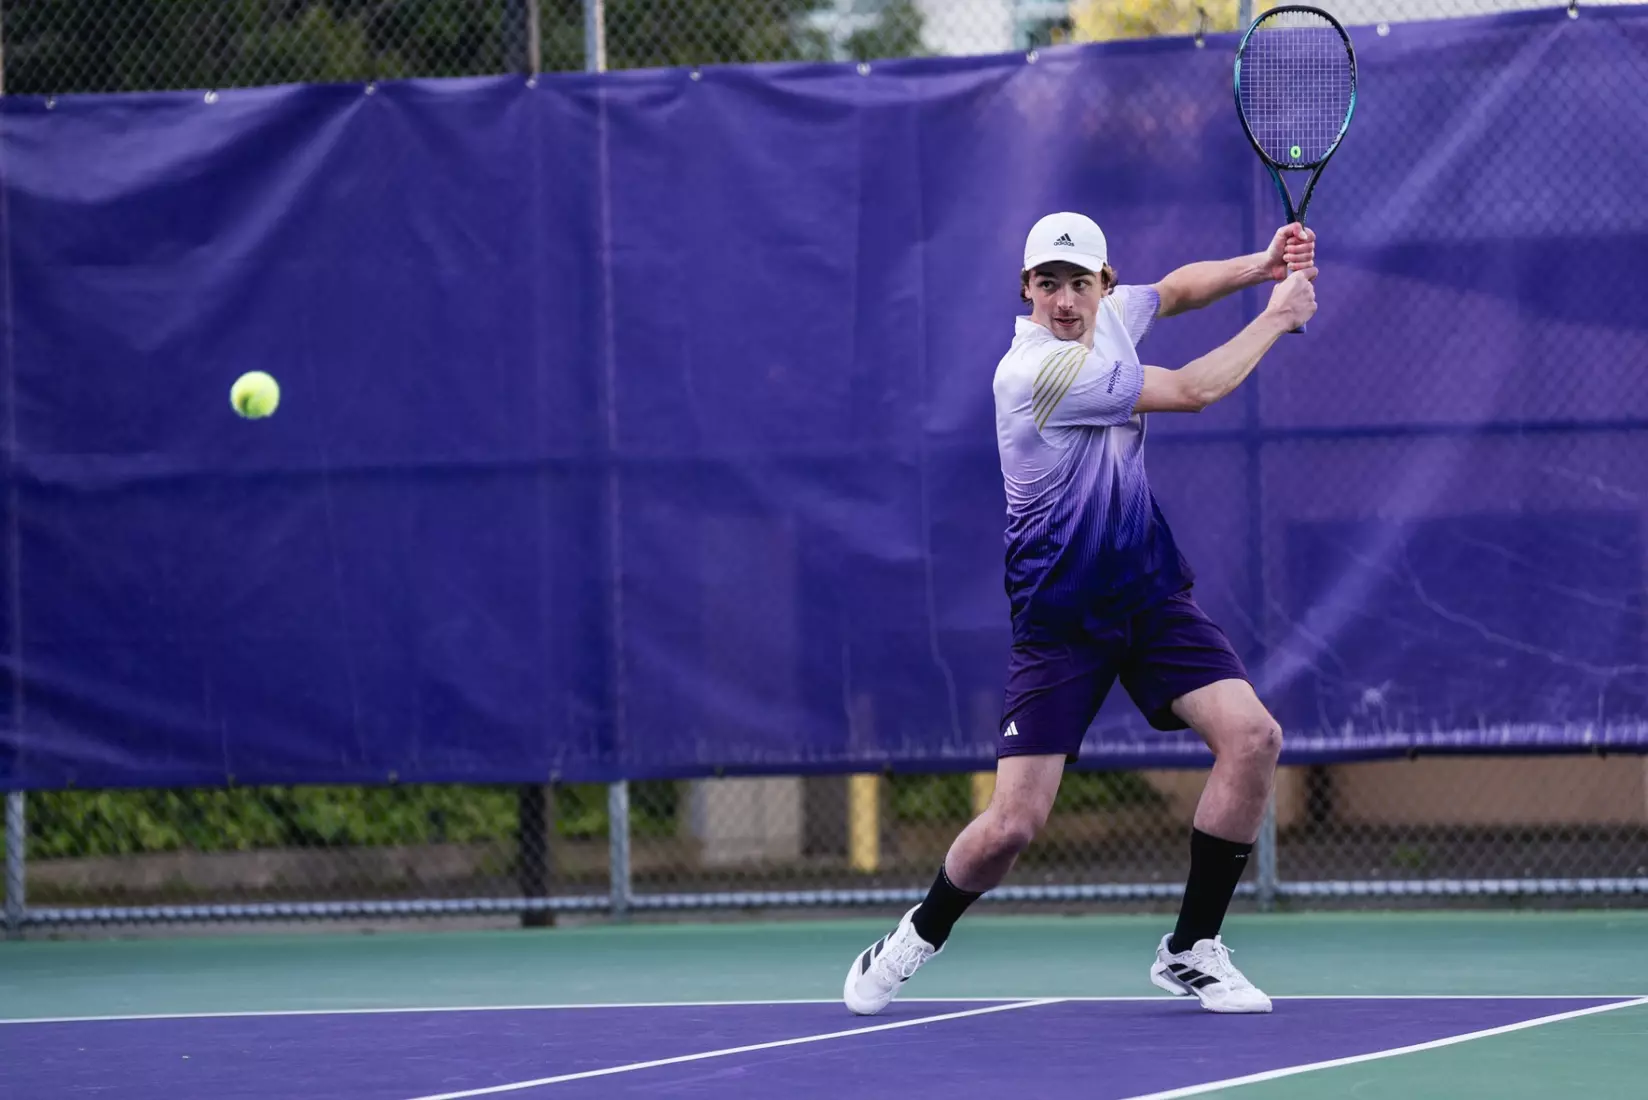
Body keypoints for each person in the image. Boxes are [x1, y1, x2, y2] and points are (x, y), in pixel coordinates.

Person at [843, 210, 1317, 1017]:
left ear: (1103, 283)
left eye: (1080, 283)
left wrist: (1259, 264)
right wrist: (1279, 315)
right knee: (1012, 827)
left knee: (1254, 737)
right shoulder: (1035, 373)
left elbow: (1170, 291)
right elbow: (1196, 391)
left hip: (1148, 592)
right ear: (1026, 290)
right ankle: (918, 932)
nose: (1065, 300)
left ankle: (1192, 948)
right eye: (1048, 284)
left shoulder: (1113, 315)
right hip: (1060, 619)